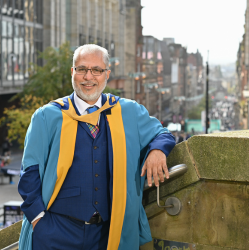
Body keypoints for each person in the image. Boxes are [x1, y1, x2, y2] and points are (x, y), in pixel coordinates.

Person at [17, 44, 176, 250]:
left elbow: (162, 133)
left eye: (97, 70)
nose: (88, 77)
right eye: (81, 69)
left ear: (107, 74)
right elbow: (29, 173)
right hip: (56, 232)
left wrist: (157, 151)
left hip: (107, 234)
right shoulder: (47, 116)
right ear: (72, 72)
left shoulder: (128, 112)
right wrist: (40, 222)